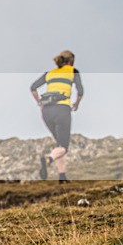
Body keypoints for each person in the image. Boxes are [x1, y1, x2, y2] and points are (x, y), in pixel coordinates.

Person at [30, 50, 84, 183]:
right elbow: (80, 91)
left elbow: (33, 87)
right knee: (63, 147)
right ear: (71, 61)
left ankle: (62, 177)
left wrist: (39, 103)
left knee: (59, 145)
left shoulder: (50, 73)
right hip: (62, 110)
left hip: (46, 112)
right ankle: (48, 159)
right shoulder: (73, 71)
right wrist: (76, 103)